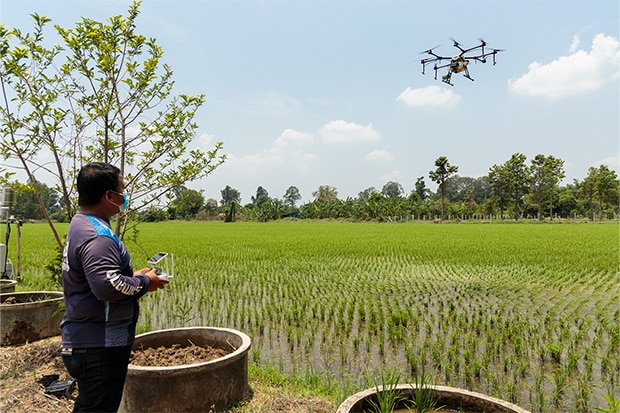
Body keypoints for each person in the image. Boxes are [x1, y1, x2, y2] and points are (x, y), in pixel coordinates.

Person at [60, 162, 168, 412]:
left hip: (85, 339)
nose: (124, 195)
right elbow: (108, 288)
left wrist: (133, 274)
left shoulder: (80, 223)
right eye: (121, 189)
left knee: (89, 405)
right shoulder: (98, 236)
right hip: (100, 344)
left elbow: (100, 276)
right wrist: (145, 282)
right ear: (109, 196)